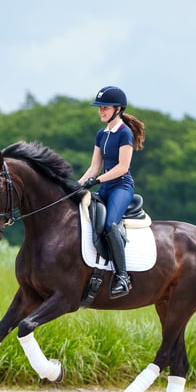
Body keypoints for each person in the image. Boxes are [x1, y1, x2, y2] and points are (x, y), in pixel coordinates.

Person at [78, 86, 146, 299]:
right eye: (99, 108)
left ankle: (123, 277)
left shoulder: (124, 132)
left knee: (109, 225)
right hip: (105, 186)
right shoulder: (101, 134)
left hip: (121, 187)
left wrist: (96, 181)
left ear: (118, 109)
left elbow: (122, 167)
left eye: (104, 108)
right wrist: (75, 186)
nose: (101, 111)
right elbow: (94, 167)